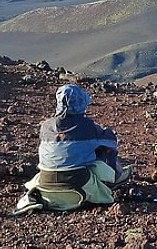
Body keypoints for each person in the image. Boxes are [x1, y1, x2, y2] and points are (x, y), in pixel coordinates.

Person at [14, 83, 131, 214]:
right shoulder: (87, 127)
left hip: (46, 187)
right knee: (105, 151)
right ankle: (116, 178)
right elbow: (111, 143)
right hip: (76, 187)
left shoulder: (46, 127)